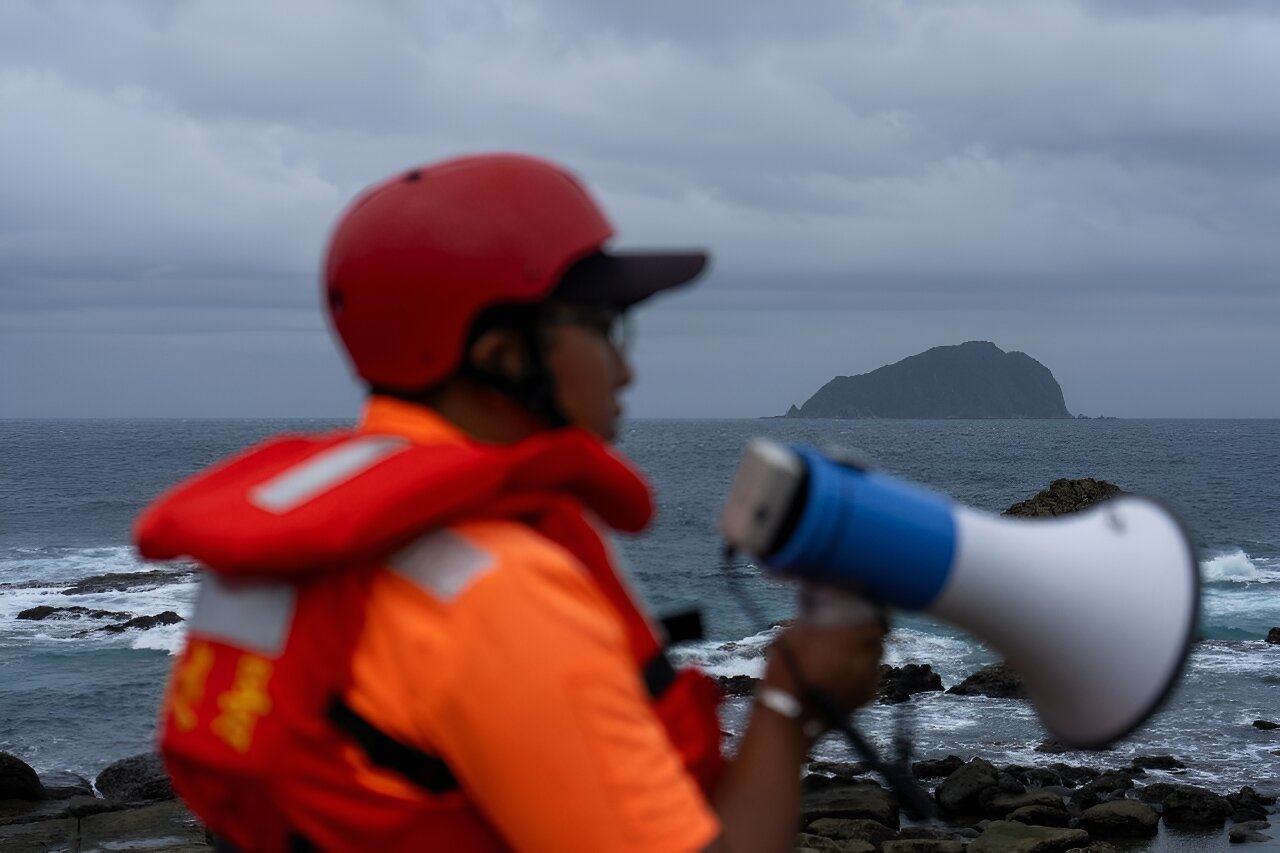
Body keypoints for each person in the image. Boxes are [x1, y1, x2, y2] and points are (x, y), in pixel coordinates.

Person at [135, 153, 885, 852]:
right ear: (502, 354)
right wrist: (792, 705)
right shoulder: (500, 587)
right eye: (602, 327)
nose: (625, 367)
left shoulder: (316, 540)